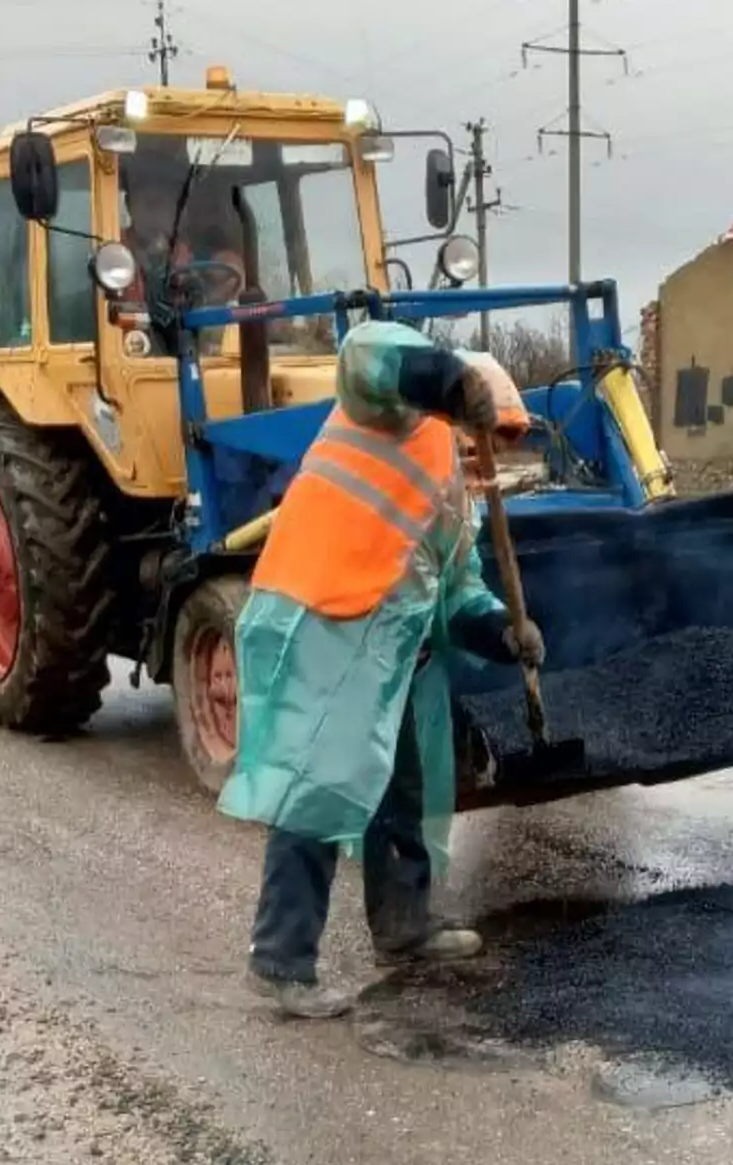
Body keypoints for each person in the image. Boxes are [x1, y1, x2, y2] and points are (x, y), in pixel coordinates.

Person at [217, 320, 542, 1019]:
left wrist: (505, 633)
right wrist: (447, 380)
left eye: (505, 446)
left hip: (387, 650)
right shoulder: (393, 410)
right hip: (323, 617)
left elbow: (460, 593)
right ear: (462, 411)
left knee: (401, 788)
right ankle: (281, 960)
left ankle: (402, 927)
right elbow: (364, 356)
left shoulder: (457, 500)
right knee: (318, 787)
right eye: (490, 436)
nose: (490, 459)